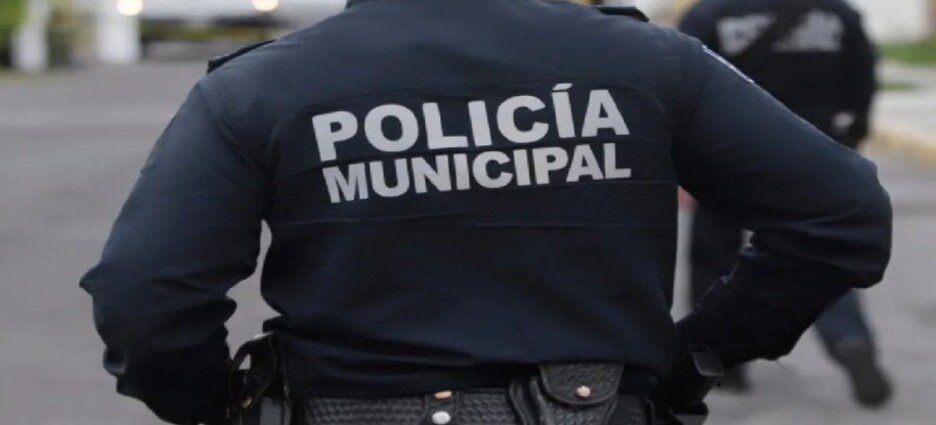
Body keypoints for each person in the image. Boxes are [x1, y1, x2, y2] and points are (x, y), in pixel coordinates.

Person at [79, 0, 892, 424]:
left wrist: (210, 405)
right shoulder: (646, 62)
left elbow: (145, 295)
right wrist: (695, 356)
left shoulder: (260, 87)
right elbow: (840, 213)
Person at [678, 0, 893, 407]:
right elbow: (862, 74)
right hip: (816, 148)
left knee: (715, 256)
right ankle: (848, 338)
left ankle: (717, 362)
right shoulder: (836, 13)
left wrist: (680, 160)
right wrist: (852, 137)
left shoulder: (714, 13)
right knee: (821, 254)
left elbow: (682, 83)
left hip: (727, 153)